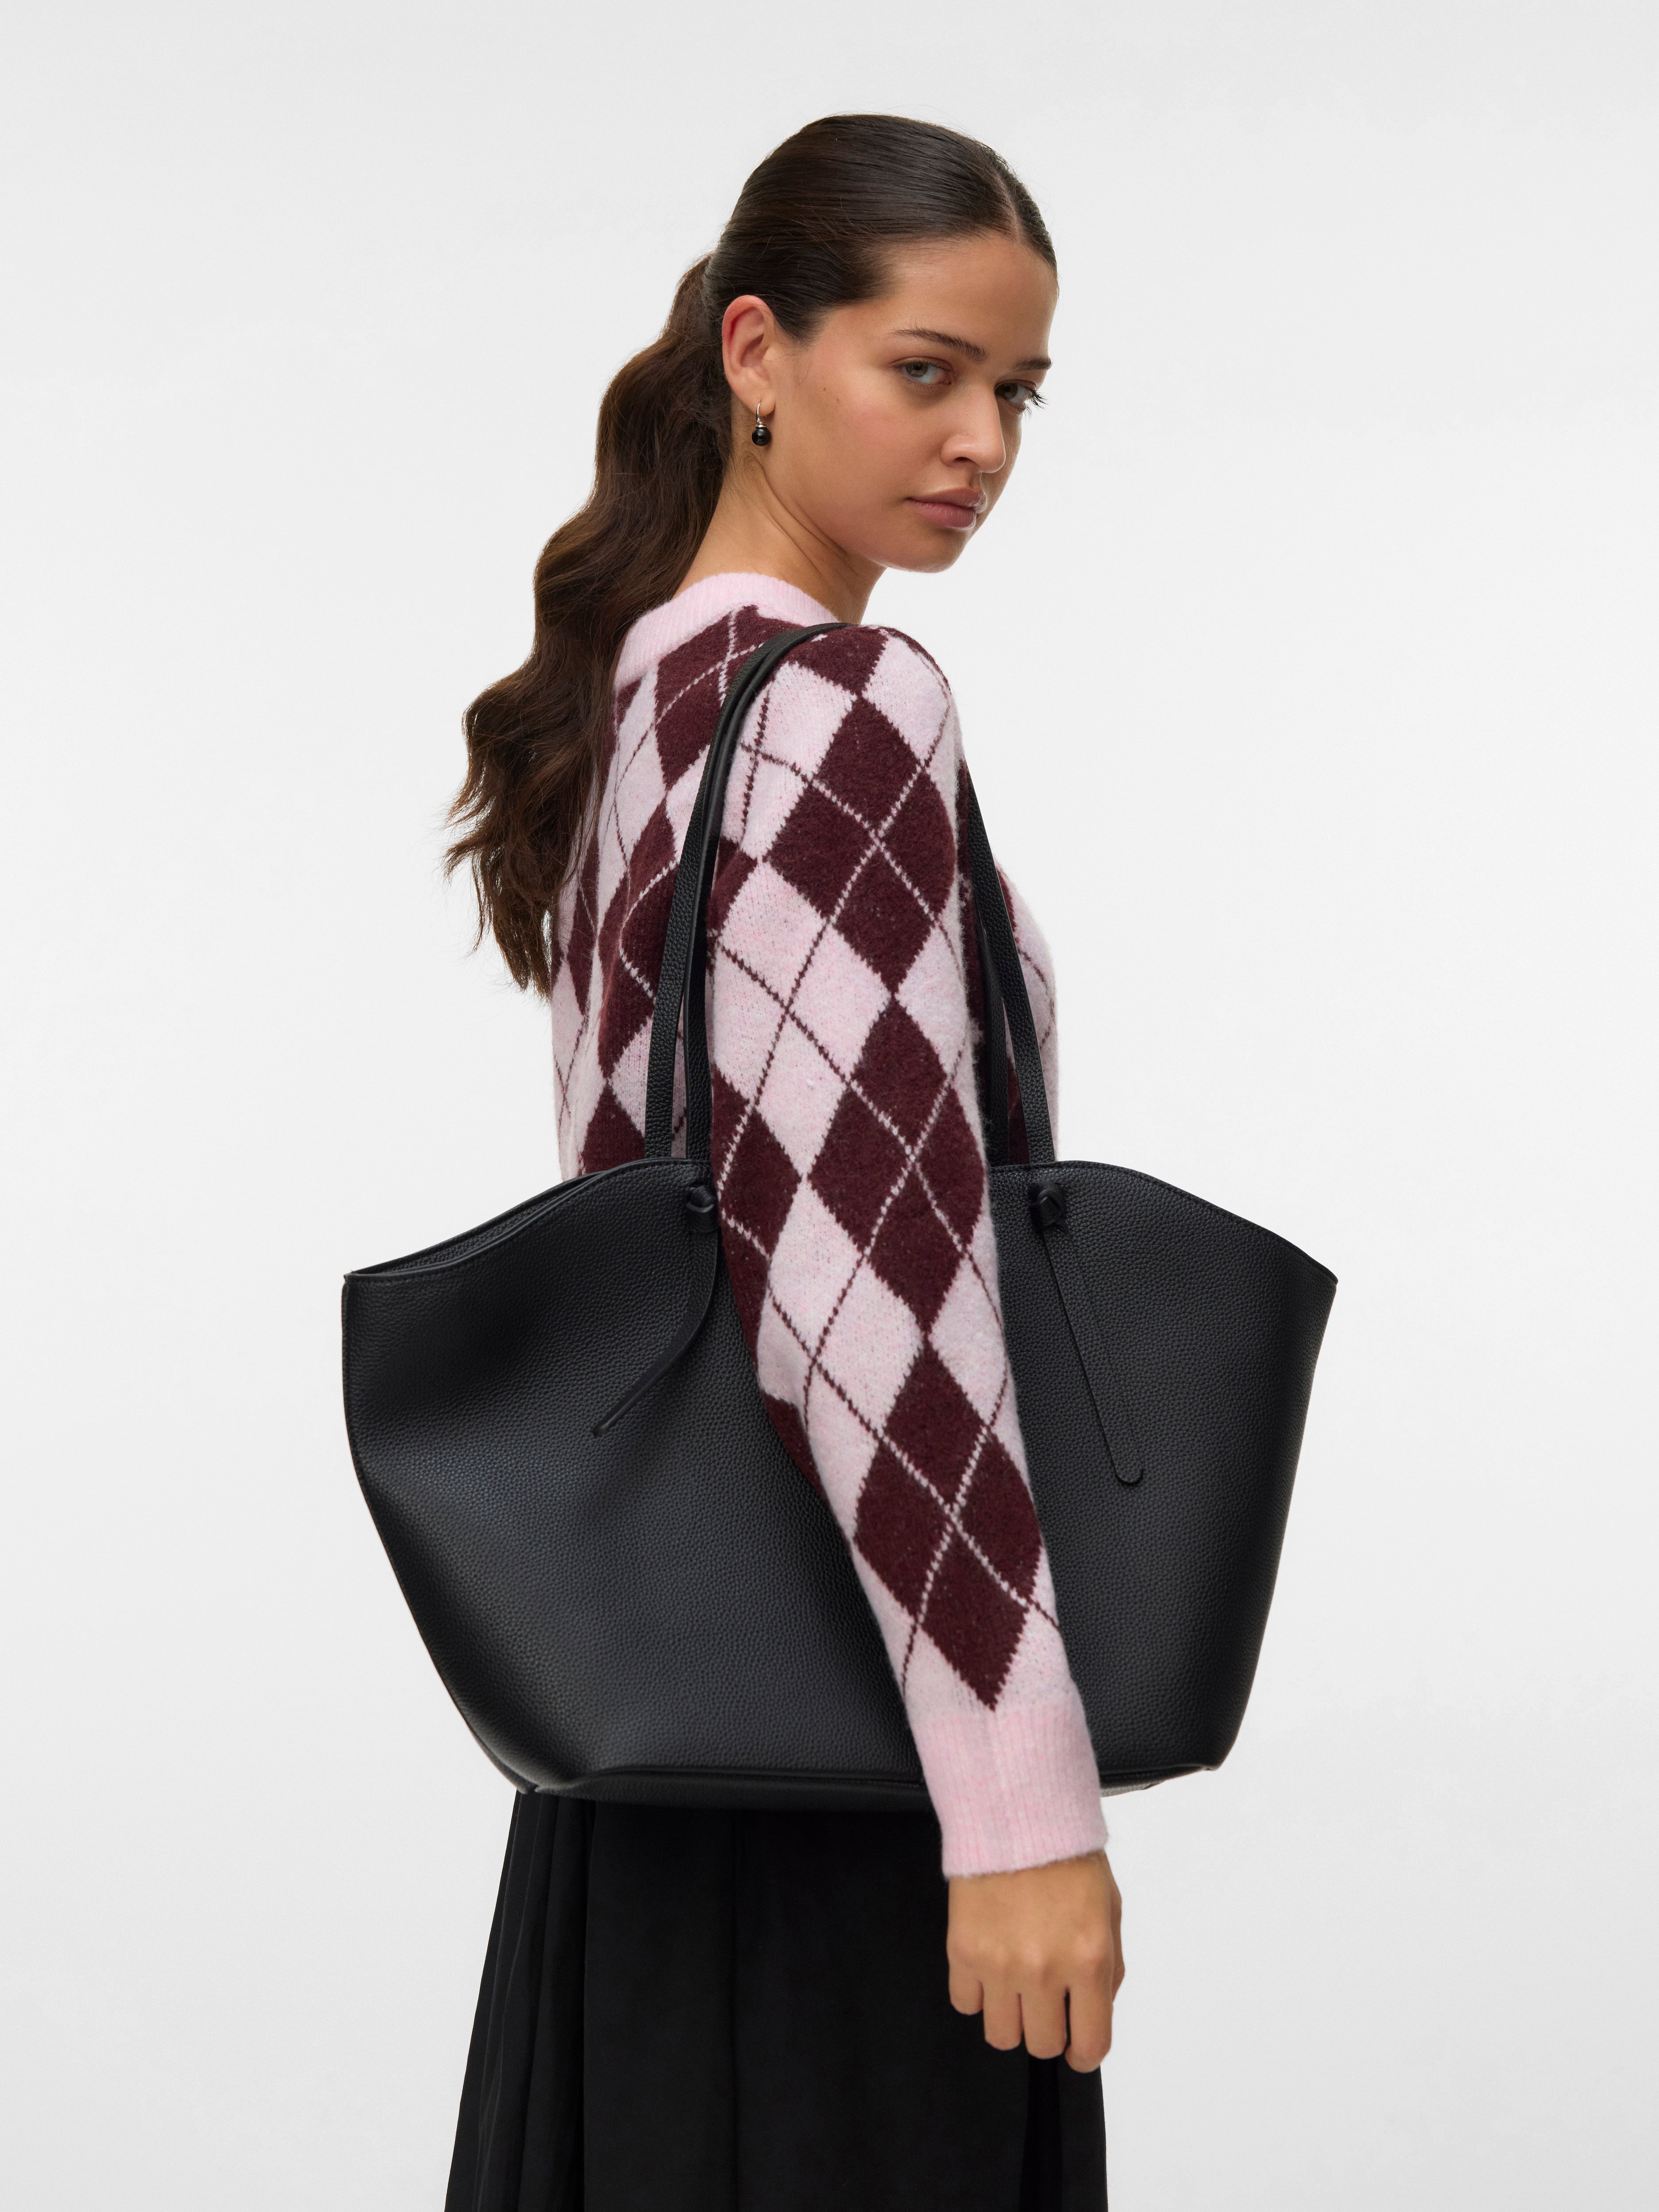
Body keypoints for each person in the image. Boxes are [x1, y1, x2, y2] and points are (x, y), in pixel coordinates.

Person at [442, 114, 1125, 2212]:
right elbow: (867, 1285)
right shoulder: (837, 702)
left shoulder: (646, 698)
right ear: (757, 352)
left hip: (655, 1760)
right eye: (924, 369)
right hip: (849, 1768)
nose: (980, 442)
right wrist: (1017, 1804)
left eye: (1015, 392)